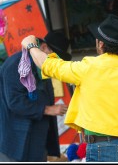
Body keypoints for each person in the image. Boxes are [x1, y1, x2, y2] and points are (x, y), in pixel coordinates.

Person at [21, 14, 118, 162]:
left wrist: (31, 46)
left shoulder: (89, 67)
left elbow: (49, 66)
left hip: (104, 150)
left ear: (100, 44)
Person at [0, 31, 72, 162]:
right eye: (56, 57)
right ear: (43, 48)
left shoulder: (42, 67)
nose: (57, 62)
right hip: (15, 140)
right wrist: (48, 109)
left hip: (38, 140)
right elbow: (15, 101)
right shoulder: (16, 64)